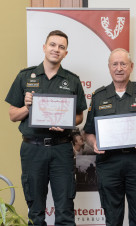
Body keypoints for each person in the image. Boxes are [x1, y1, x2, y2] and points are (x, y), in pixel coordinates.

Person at [5, 30, 87, 226]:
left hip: (61, 149)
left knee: (65, 209)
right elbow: (12, 115)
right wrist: (27, 107)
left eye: (61, 47)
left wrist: (66, 121)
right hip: (33, 149)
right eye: (52, 45)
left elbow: (79, 116)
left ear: (66, 53)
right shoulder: (25, 76)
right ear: (44, 47)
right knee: (36, 211)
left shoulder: (72, 80)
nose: (56, 49)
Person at [84, 48, 136, 226]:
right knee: (112, 219)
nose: (119, 68)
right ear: (109, 67)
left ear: (131, 67)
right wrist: (94, 142)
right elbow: (88, 132)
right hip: (109, 164)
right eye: (115, 64)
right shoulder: (98, 96)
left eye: (123, 64)